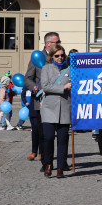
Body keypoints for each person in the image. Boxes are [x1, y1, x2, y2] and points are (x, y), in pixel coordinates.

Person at [25, 32, 61, 167]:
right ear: (48, 44)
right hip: (41, 100)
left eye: (59, 42)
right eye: (57, 42)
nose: (59, 44)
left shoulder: (61, 57)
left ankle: (61, 161)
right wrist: (33, 87)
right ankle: (45, 161)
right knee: (43, 132)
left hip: (59, 100)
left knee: (60, 132)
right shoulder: (37, 58)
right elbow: (27, 78)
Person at [41, 44, 72, 178]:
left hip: (65, 108)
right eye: (57, 56)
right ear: (51, 56)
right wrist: (63, 88)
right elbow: (46, 87)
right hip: (49, 108)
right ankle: (48, 163)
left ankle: (60, 167)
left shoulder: (70, 69)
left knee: (63, 139)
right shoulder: (46, 68)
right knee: (48, 138)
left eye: (62, 55)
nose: (60, 58)